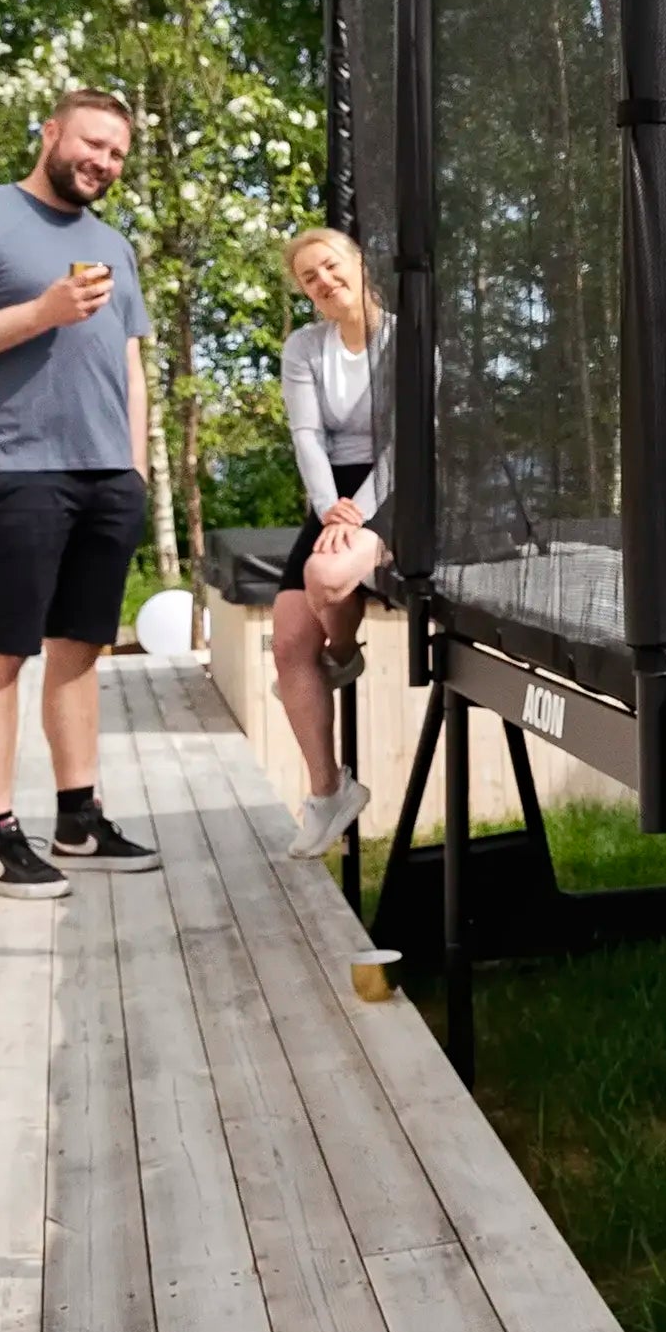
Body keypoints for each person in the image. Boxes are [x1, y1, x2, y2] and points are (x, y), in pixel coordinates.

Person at [0, 87, 164, 897]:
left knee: (81, 648)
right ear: (50, 132)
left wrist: (135, 470)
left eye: (117, 153)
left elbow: (127, 361)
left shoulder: (114, 244)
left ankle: (78, 815)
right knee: (3, 651)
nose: (103, 162)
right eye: (91, 143)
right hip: (9, 466)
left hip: (104, 475)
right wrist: (41, 310)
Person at [274, 226, 393, 858]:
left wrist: (361, 516)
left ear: (357, 263)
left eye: (329, 266)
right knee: (290, 638)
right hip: (335, 496)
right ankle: (329, 792)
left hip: (396, 491)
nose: (322, 281)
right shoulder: (304, 346)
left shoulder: (406, 339)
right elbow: (307, 435)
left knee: (324, 581)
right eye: (308, 278)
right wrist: (330, 512)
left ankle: (343, 653)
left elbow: (413, 442)